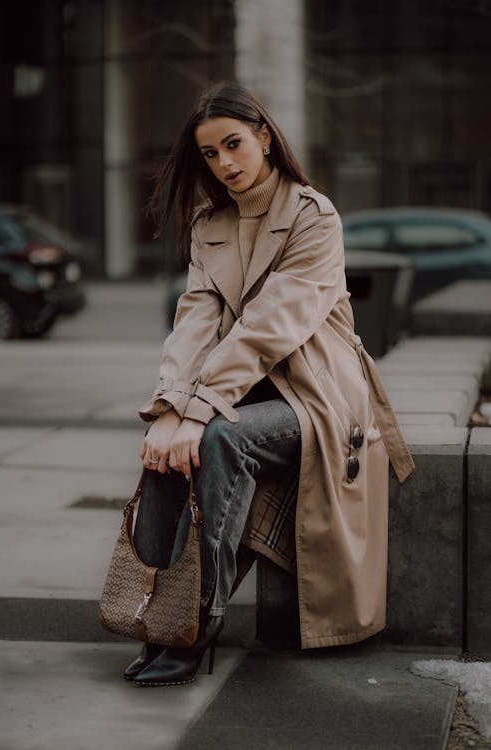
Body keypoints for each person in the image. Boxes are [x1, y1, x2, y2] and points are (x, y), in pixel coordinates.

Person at [125, 81, 415, 688]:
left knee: (218, 442)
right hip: (245, 389)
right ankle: (154, 618)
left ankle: (196, 628)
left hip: (319, 396)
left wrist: (199, 412)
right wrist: (171, 407)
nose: (225, 163)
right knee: (163, 450)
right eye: (209, 154)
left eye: (234, 144)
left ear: (263, 135)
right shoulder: (212, 222)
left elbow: (268, 327)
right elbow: (195, 323)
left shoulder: (313, 215)